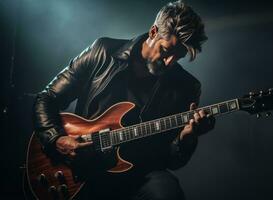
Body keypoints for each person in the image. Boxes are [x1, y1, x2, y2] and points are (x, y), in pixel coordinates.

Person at [32, 1, 215, 199]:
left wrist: (187, 138)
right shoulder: (104, 51)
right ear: (153, 32)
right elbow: (47, 98)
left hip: (139, 174)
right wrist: (56, 138)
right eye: (165, 51)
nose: (169, 62)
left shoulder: (187, 87)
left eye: (178, 57)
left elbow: (171, 161)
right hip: (83, 165)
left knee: (167, 192)